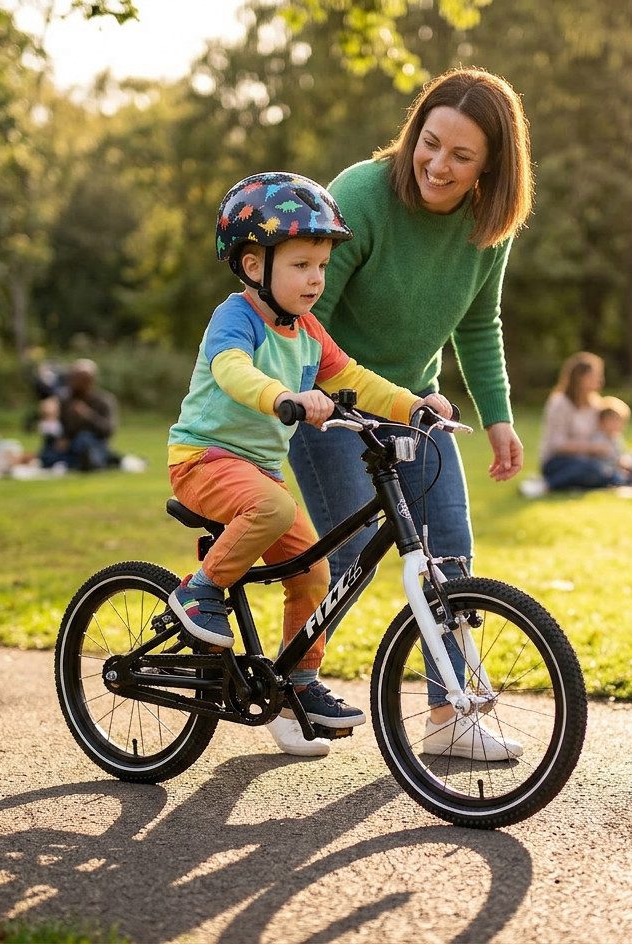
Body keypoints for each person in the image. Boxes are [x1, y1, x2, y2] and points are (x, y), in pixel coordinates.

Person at [286, 67, 531, 761]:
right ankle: (290, 688)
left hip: (415, 406)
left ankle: (450, 715)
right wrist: (302, 407)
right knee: (345, 559)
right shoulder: (360, 195)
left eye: (462, 155)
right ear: (413, 132)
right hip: (331, 405)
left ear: (491, 167)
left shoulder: (488, 224)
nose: (438, 164)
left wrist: (500, 418)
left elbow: (478, 324)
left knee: (449, 557)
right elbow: (306, 316)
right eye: (430, 142)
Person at [166, 172, 454, 758]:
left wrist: (412, 405)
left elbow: (353, 378)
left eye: (322, 265)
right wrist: (282, 397)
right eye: (301, 265)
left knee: (312, 572)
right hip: (204, 459)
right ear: (254, 266)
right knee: (273, 509)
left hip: (259, 473)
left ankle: (295, 684)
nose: (317, 278)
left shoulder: (307, 331)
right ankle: (198, 593)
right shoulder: (237, 317)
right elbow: (231, 370)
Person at [540, 352, 619, 490]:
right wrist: (591, 448)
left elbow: (606, 434)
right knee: (591, 470)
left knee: (603, 470)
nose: (600, 380)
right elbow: (557, 444)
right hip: (558, 462)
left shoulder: (596, 404)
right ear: (580, 378)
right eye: (595, 375)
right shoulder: (560, 403)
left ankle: (603, 478)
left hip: (588, 460)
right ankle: (549, 484)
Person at [39, 359, 118, 471]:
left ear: (90, 380)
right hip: (69, 444)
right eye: (73, 378)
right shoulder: (65, 401)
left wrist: (87, 415)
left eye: (80, 378)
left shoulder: (103, 400)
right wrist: (51, 419)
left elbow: (108, 430)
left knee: (84, 439)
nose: (74, 382)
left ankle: (87, 461)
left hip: (93, 443)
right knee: (49, 447)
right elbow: (62, 427)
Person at [592, 396, 631, 485]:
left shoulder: (617, 438)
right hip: (603, 469)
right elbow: (603, 457)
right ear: (602, 422)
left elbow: (621, 454)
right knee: (616, 478)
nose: (616, 425)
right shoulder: (598, 438)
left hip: (615, 469)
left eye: (619, 421)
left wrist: (625, 461)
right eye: (612, 421)